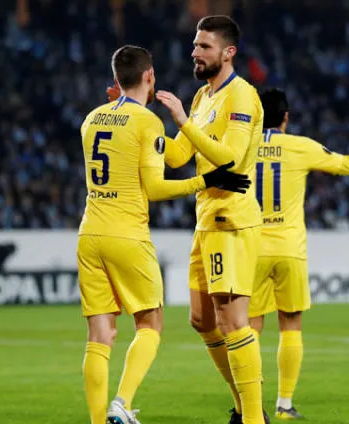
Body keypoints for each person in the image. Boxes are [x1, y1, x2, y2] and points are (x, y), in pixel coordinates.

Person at [79, 45, 251, 424]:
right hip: (127, 233)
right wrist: (207, 180)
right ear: (149, 76)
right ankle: (122, 403)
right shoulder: (147, 122)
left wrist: (178, 122)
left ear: (116, 79)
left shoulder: (91, 119)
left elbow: (164, 154)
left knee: (100, 335)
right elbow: (155, 188)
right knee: (150, 324)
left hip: (89, 233)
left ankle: (97, 420)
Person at [155, 15, 267, 424]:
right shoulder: (203, 97)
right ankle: (243, 407)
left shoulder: (242, 96)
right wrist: (143, 122)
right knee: (202, 320)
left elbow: (231, 159)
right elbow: (176, 157)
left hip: (232, 220)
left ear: (228, 52)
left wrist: (184, 122)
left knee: (234, 321)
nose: (195, 52)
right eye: (195, 45)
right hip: (205, 220)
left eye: (204, 46)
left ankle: (251, 417)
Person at [248, 88, 349, 419]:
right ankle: (284, 404)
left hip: (251, 248)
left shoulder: (242, 147)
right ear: (286, 117)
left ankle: (249, 403)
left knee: (249, 327)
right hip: (289, 249)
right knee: (290, 324)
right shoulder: (301, 146)